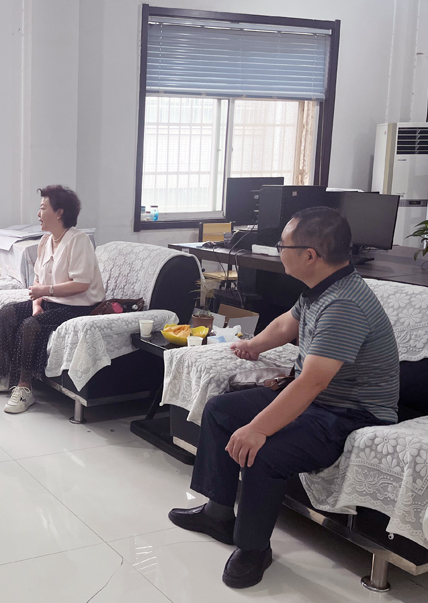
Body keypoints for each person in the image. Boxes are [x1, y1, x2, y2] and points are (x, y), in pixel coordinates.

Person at [169, 207, 399, 589]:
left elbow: (311, 384)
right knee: (220, 410)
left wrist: (258, 429)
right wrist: (254, 346)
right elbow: (285, 325)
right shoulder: (321, 288)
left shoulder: (344, 304)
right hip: (321, 401)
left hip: (349, 414)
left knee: (266, 452)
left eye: (283, 246)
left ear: (309, 255)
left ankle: (253, 548)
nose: (278, 251)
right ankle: (218, 513)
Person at [0, 185, 104, 413]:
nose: (38, 214)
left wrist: (46, 292)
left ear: (59, 212)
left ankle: (24, 388)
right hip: (50, 302)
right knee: (7, 313)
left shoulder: (79, 240)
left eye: (43, 208)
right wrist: (37, 304)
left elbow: (81, 284)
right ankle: (1, 376)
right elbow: (37, 281)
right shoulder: (45, 241)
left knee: (30, 326)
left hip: (78, 307)